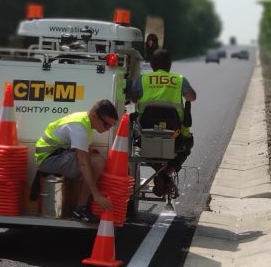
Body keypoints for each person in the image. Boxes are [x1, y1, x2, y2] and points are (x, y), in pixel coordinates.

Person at [34, 99, 119, 223]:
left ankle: (78, 206)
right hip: (49, 159)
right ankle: (80, 209)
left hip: (55, 154)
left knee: (94, 159)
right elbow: (83, 164)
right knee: (97, 163)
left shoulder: (85, 121)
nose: (108, 129)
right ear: (94, 115)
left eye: (112, 126)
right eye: (106, 124)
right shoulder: (79, 127)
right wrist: (97, 195)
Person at [128, 49, 196, 196]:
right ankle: (165, 175)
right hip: (174, 133)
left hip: (145, 131)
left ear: (151, 65)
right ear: (170, 65)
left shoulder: (142, 80)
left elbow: (133, 99)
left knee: (144, 148)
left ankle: (161, 176)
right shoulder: (178, 80)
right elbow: (191, 97)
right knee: (186, 146)